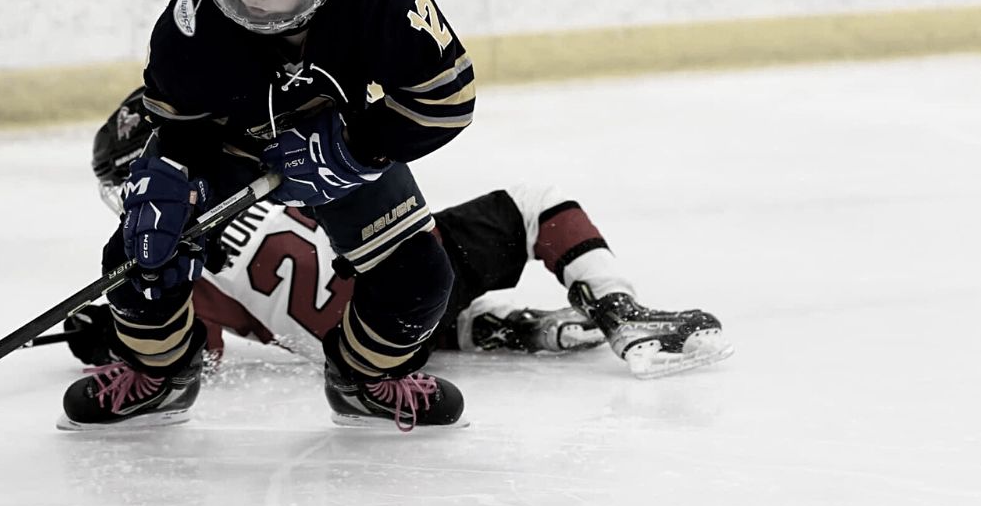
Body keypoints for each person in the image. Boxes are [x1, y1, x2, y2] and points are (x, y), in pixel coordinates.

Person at [61, 0, 478, 432]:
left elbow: (446, 100)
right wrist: (169, 175)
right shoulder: (193, 13)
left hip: (340, 144)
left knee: (419, 275)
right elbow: (177, 122)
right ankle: (162, 377)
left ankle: (363, 380)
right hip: (229, 148)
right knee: (141, 258)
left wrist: (355, 149)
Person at [60, 89, 733, 428]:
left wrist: (112, 343)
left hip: (347, 349)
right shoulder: (252, 170)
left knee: (381, 315)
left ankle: (487, 328)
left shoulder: (173, 255)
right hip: (398, 297)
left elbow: (200, 352)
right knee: (534, 205)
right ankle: (616, 311)